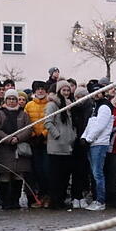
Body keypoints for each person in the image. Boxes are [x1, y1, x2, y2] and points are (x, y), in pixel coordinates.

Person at [0, 89, 32, 210]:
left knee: (18, 175)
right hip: (4, 150)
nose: (12, 101)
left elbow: (28, 129)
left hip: (19, 149)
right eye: (9, 99)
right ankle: (5, 200)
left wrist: (18, 138)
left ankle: (15, 200)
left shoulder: (23, 114)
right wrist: (7, 139)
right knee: (5, 175)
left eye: (14, 99)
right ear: (6, 100)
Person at [79, 85, 113, 211]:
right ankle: (96, 199)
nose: (96, 94)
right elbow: (90, 124)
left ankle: (100, 201)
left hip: (99, 144)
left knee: (98, 173)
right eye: (94, 92)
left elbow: (100, 126)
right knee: (94, 173)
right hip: (93, 143)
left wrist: (88, 139)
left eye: (99, 92)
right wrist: (84, 137)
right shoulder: (95, 107)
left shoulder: (104, 106)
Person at [44, 80, 76, 209]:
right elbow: (48, 122)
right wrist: (57, 135)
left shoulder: (70, 105)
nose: (66, 93)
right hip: (56, 147)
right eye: (64, 90)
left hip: (68, 146)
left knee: (65, 176)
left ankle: (61, 199)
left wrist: (73, 135)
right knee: (55, 176)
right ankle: (55, 200)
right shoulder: (52, 104)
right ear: (59, 90)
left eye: (68, 90)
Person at [25, 81, 50, 207]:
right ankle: (38, 196)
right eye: (38, 89)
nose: (40, 91)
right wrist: (33, 135)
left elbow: (52, 121)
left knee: (46, 170)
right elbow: (26, 122)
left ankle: (46, 196)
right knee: (36, 171)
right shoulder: (29, 105)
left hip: (47, 142)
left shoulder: (50, 105)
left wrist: (43, 134)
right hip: (34, 143)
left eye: (42, 89)